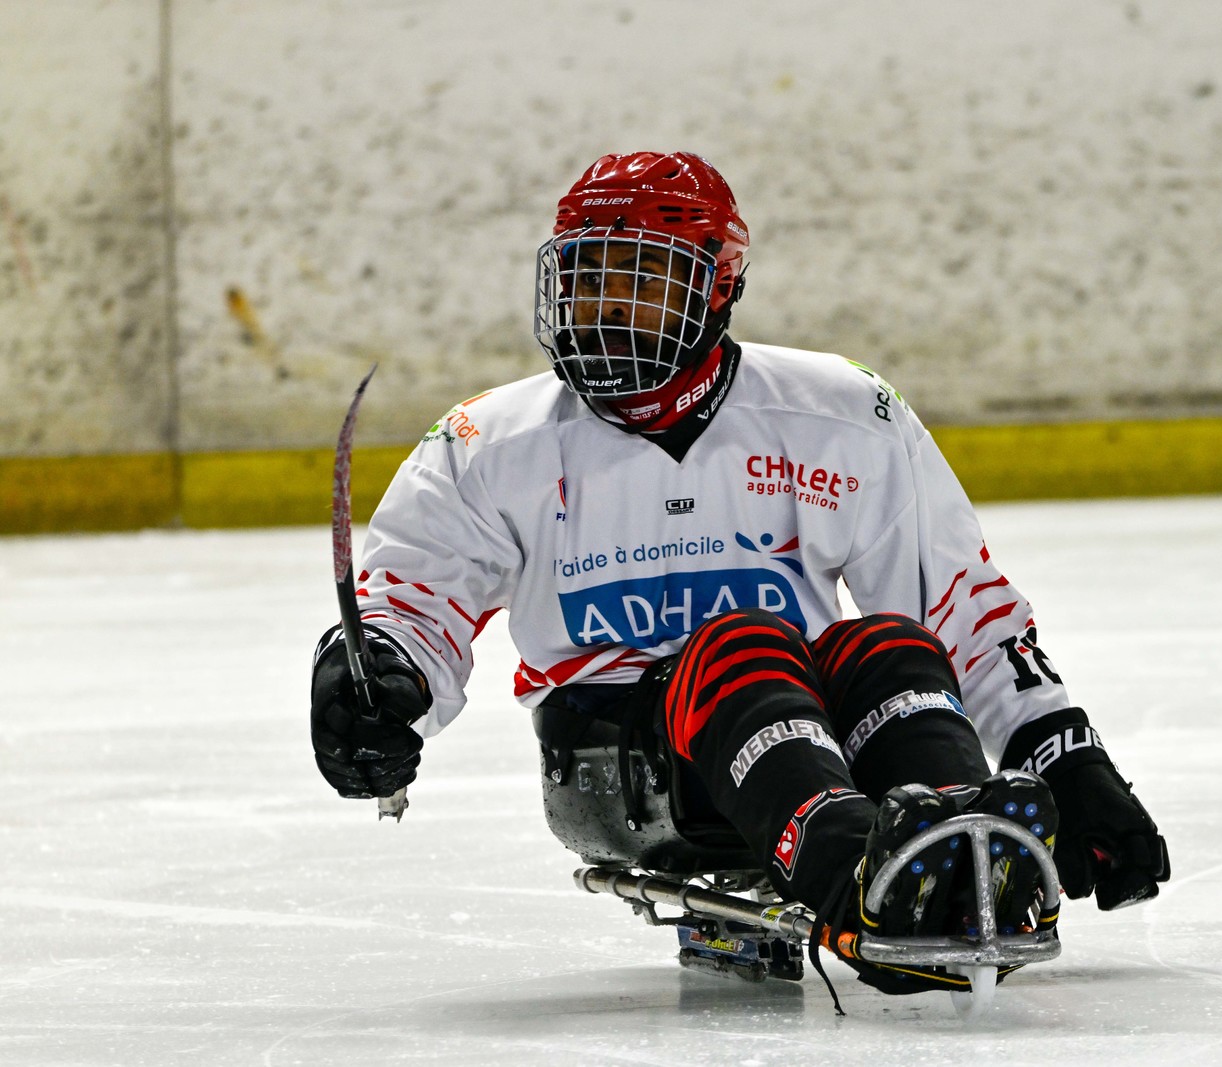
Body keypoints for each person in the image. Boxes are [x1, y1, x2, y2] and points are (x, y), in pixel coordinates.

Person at [309, 150, 1169, 996]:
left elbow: (958, 605)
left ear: (718, 287)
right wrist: (374, 680)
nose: (607, 310)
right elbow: (412, 602)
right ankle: (851, 878)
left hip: (802, 728)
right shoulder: (489, 444)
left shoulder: (838, 413)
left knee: (889, 647)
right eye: (589, 279)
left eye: (643, 282)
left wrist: (1065, 753)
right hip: (621, 757)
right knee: (746, 643)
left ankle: (963, 835)